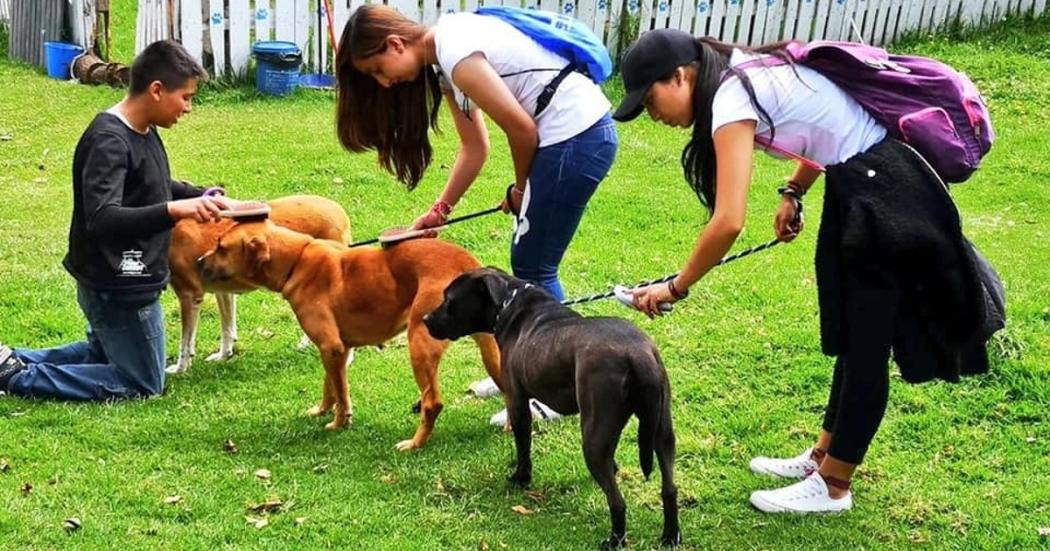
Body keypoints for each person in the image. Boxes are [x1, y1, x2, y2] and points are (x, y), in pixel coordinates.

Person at [613, 29, 996, 513]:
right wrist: (794, 190)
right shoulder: (746, 70)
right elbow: (829, 121)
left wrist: (675, 286)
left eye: (650, 100)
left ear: (680, 75)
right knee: (855, 335)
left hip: (885, 193)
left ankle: (835, 485)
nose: (654, 115)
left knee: (867, 345)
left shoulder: (732, 96)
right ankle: (823, 457)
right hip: (862, 180)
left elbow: (728, 221)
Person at [335, 5, 618, 424]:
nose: (384, 81)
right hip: (568, 139)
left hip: (576, 137)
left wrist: (522, 190)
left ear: (395, 44)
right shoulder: (448, 66)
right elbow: (475, 148)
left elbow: (523, 131)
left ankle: (554, 385)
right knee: (528, 262)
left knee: (534, 265)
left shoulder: (456, 53)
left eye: (378, 68)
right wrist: (440, 211)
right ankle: (519, 367)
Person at [0, 40, 242, 401]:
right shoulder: (110, 141)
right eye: (187, 97)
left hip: (125, 281)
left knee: (105, 355)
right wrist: (175, 211)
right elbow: (103, 218)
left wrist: (205, 196)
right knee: (143, 382)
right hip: (117, 283)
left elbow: (153, 184)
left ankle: (11, 361)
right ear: (157, 91)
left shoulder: (143, 130)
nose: (189, 108)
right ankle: (16, 379)